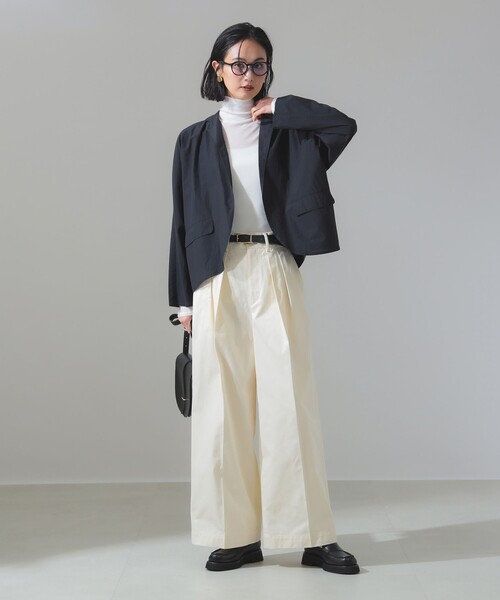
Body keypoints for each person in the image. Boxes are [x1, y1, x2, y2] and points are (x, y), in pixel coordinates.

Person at [168, 22, 359, 574]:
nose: (247, 74)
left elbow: (343, 126)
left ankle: (310, 535)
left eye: (258, 65)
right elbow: (182, 222)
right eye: (237, 64)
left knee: (289, 402)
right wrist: (183, 301)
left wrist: (284, 107)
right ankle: (236, 535)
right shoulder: (193, 139)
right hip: (216, 274)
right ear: (217, 68)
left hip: (274, 262)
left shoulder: (288, 129)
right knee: (221, 409)